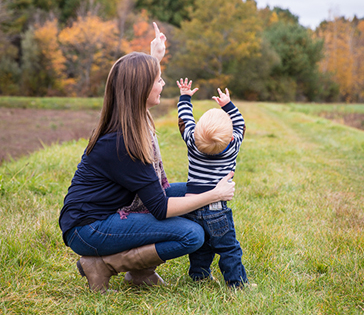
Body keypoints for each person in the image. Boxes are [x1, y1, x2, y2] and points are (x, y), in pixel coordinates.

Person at [59, 23, 236, 293]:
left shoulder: (131, 118)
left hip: (115, 209)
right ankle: (104, 264)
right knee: (192, 234)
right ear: (141, 90)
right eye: (158, 80)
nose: (163, 83)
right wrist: (214, 196)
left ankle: (140, 272)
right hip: (89, 229)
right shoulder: (124, 143)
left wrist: (155, 57)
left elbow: (133, 84)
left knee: (197, 190)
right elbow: (161, 208)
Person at [176, 79, 249, 288]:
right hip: (217, 209)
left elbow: (185, 119)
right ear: (229, 136)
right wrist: (227, 105)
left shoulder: (192, 142)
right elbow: (240, 124)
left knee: (201, 246)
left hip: (192, 205)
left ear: (197, 132)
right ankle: (236, 283)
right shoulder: (232, 145)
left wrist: (185, 97)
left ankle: (199, 276)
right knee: (229, 248)